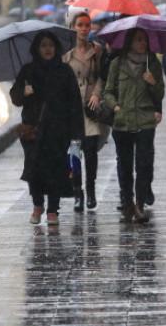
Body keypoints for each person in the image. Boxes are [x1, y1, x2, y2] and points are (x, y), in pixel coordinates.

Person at [10, 31, 84, 226]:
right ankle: (37, 205)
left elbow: (74, 103)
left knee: (55, 171)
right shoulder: (27, 71)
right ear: (37, 48)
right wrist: (24, 92)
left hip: (58, 130)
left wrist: (76, 134)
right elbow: (16, 99)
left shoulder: (64, 71)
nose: (47, 49)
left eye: (50, 45)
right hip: (33, 131)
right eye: (43, 45)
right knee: (33, 171)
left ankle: (52, 210)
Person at [102, 28, 164, 223]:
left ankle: (140, 204)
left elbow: (160, 94)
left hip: (145, 120)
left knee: (144, 164)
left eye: (144, 40)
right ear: (129, 42)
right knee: (125, 165)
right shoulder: (117, 63)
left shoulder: (152, 63)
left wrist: (152, 82)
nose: (142, 43)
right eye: (138, 40)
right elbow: (108, 92)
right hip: (122, 122)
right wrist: (116, 106)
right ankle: (127, 204)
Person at [63, 11, 107, 211]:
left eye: (87, 25)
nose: (84, 29)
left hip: (90, 108)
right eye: (80, 25)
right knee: (74, 152)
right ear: (72, 27)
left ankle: (91, 191)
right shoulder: (65, 53)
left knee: (90, 151)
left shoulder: (97, 50)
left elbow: (101, 77)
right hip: (71, 109)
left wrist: (97, 95)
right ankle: (77, 192)